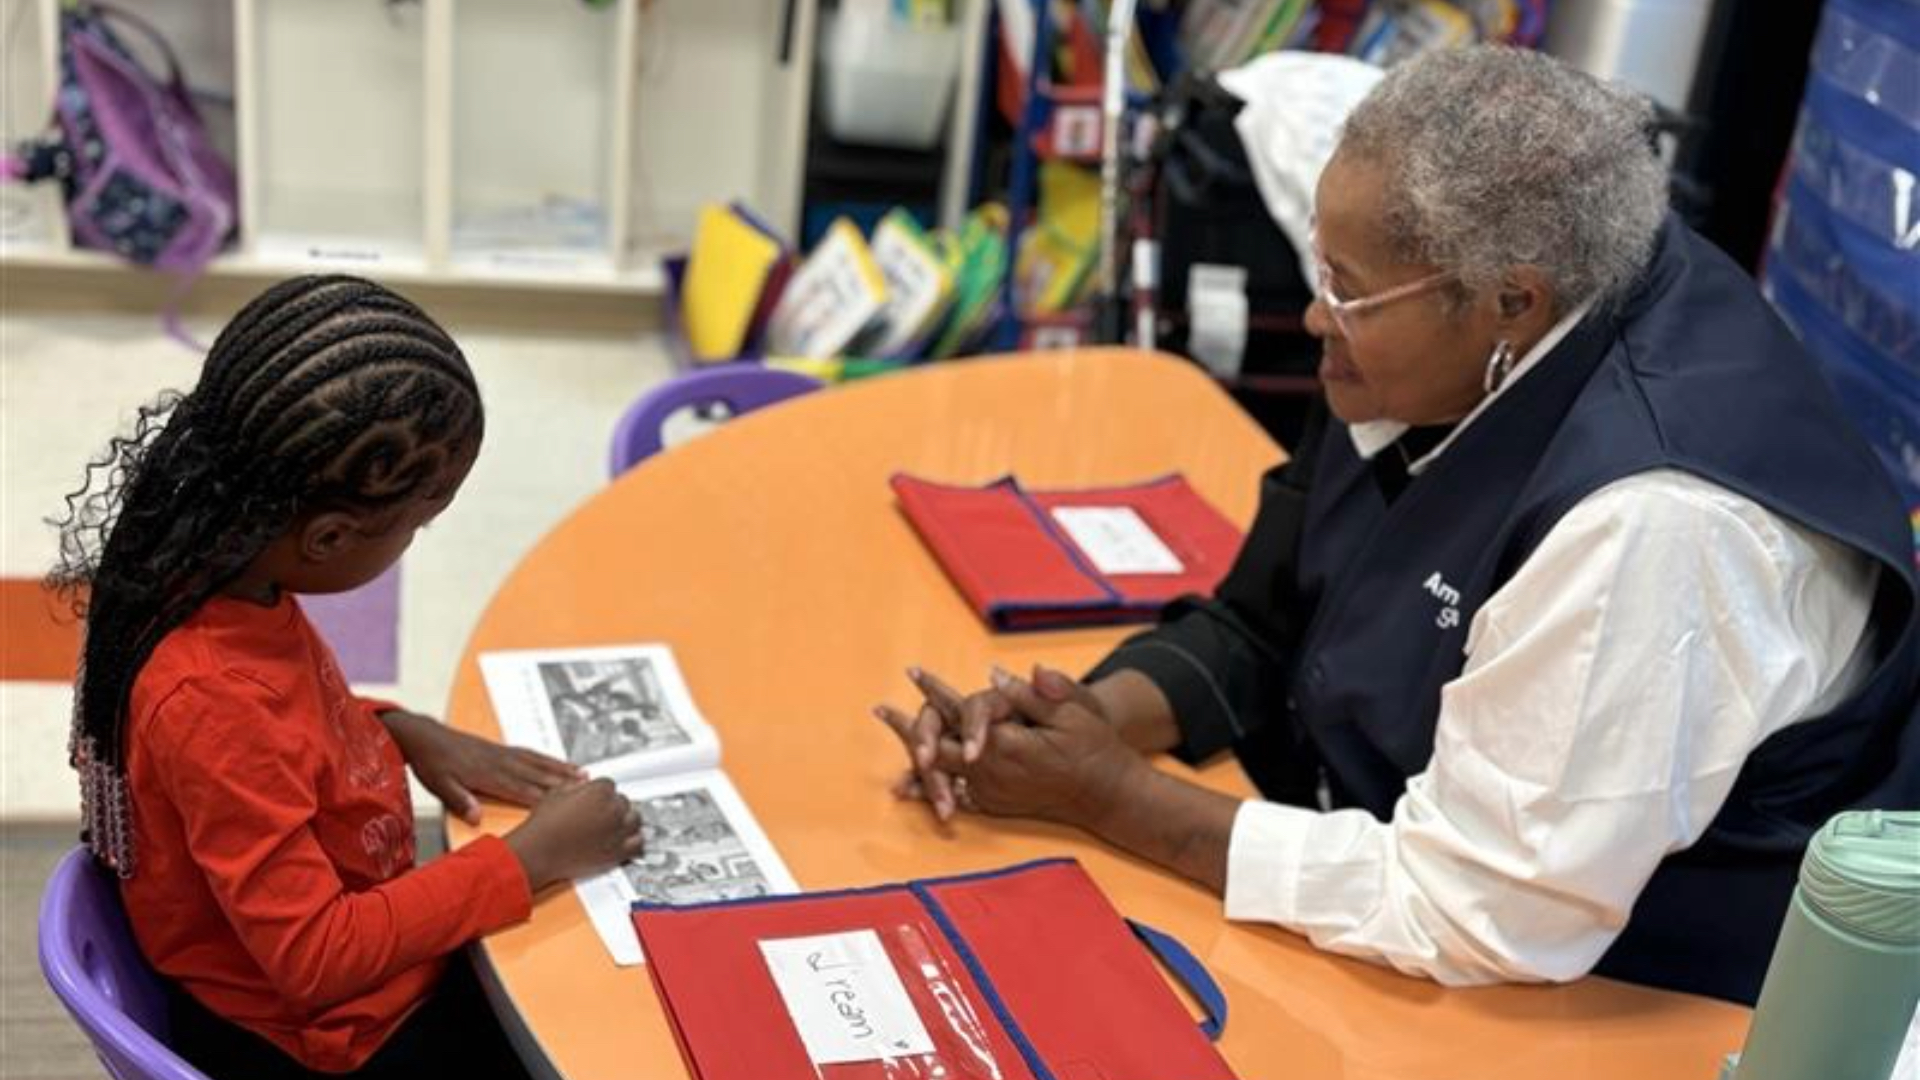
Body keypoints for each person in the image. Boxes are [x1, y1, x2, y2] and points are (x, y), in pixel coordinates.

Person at [876, 45, 1919, 1005]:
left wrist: (1109, 799)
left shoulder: (1657, 528)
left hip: (1636, 996)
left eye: (1350, 289)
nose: (1318, 316)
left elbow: (1479, 912)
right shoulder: (1459, 334)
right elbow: (1268, 617)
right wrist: (1083, 725)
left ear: (1511, 301)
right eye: (1321, 269)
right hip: (1411, 860)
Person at [49, 275, 647, 1078]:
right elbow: (315, 956)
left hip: (340, 980)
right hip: (336, 1040)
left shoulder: (216, 576)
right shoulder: (206, 693)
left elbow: (276, 742)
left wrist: (396, 729)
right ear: (328, 538)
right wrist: (527, 860)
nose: (418, 539)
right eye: (417, 526)